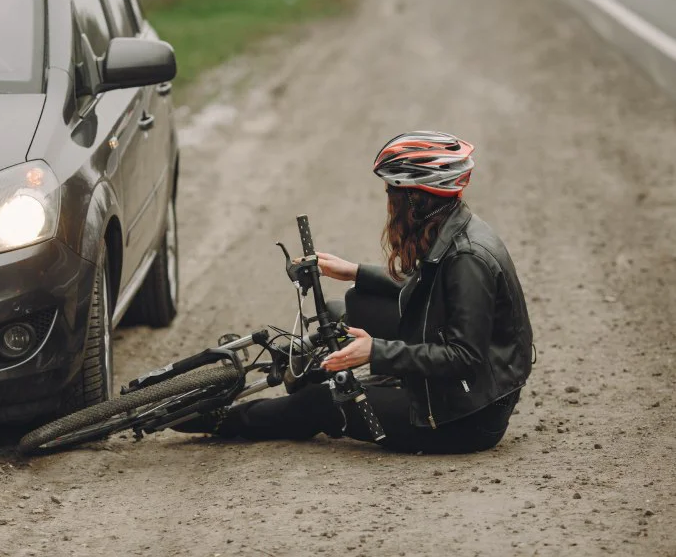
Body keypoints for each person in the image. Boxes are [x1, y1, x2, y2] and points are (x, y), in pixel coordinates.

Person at [175, 131, 534, 454]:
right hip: (464, 392)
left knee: (321, 401)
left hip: (463, 417)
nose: (389, 202)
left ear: (418, 200)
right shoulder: (452, 228)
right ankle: (315, 372)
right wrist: (355, 272)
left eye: (393, 192)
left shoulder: (468, 259)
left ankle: (219, 420)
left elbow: (463, 357)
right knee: (348, 308)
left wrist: (376, 352)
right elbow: (426, 289)